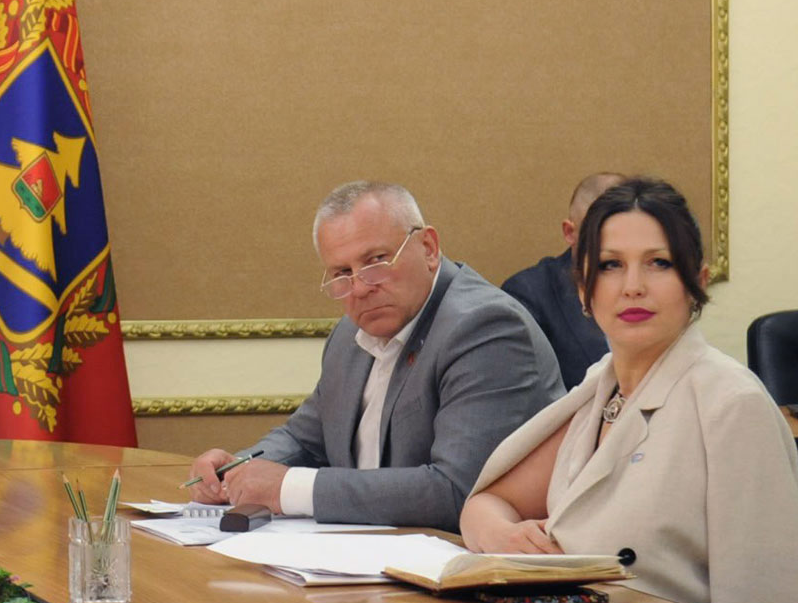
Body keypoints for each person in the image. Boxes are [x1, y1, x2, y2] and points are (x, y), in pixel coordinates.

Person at [461, 178, 798, 603]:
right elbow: (486, 503)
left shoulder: (732, 405)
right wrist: (506, 538)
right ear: (582, 289)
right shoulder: (600, 389)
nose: (633, 286)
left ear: (697, 283)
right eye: (610, 265)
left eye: (659, 263)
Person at [188, 181, 562, 531]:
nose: (360, 288)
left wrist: (287, 488)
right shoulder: (349, 335)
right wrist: (236, 469)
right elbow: (305, 439)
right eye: (342, 272)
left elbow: (456, 491)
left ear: (428, 248)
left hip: (461, 563)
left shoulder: (485, 328)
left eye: (376, 260)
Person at [502, 172, 626, 388]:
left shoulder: (653, 289)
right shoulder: (529, 294)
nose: (613, 247)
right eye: (599, 235)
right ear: (570, 232)